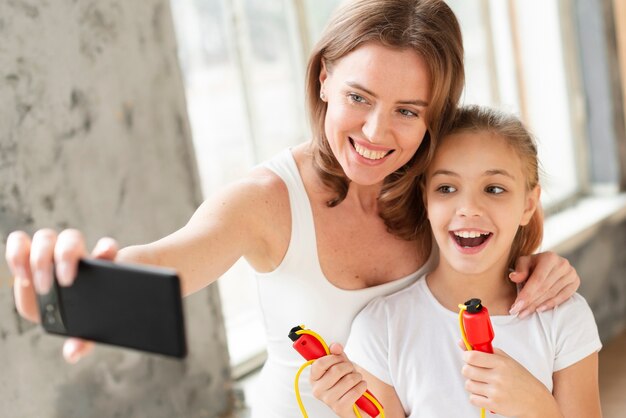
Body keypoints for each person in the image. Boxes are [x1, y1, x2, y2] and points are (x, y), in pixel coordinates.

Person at [6, 1, 580, 416]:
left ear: (434, 114)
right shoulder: (265, 201)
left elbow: (504, 232)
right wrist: (71, 285)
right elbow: (163, 262)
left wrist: (545, 267)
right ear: (325, 77)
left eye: (408, 110)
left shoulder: (437, 179)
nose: (377, 133)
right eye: (359, 97)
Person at [311, 105, 602, 417]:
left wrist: (537, 406)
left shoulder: (564, 319)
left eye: (494, 189)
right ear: (425, 199)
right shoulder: (380, 328)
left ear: (528, 205)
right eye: (446, 188)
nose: (468, 208)